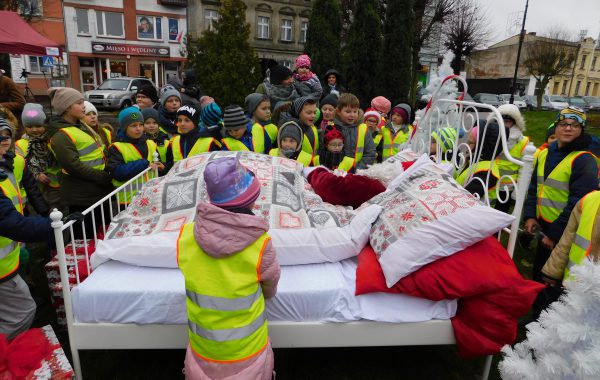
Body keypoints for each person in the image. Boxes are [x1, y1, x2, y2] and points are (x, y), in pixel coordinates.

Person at [178, 156, 280, 380]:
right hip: (248, 348)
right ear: (251, 202)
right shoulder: (260, 243)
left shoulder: (185, 236)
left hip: (204, 347)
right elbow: (270, 285)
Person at [523, 107, 599, 287]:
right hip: (543, 224)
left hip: (565, 231)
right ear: (556, 127)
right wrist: (530, 215)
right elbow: (534, 188)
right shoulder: (545, 153)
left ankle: (545, 312)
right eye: (563, 124)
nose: (568, 128)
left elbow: (577, 202)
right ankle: (536, 310)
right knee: (539, 273)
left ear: (581, 131)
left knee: (555, 278)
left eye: (574, 125)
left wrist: (554, 235)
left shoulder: (583, 160)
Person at [47, 87, 112, 230]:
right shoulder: (61, 135)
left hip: (96, 190)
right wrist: (101, 176)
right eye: (79, 103)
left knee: (103, 230)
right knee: (87, 235)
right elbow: (73, 166)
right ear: (66, 107)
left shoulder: (81, 126)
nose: (83, 106)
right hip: (82, 196)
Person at [0, 188, 53, 340]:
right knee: (23, 312)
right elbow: (12, 224)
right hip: (3, 272)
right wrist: (54, 225)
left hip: (8, 263)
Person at [108, 107, 163, 204]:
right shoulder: (116, 147)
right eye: (133, 126)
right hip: (128, 201)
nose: (138, 129)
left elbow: (158, 164)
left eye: (141, 125)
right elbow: (117, 173)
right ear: (125, 128)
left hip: (150, 197)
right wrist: (143, 164)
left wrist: (162, 166)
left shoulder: (150, 143)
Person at [494, 104, 531, 212]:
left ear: (514, 123)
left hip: (506, 187)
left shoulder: (523, 142)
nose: (503, 124)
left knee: (500, 215)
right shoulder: (491, 135)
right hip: (488, 182)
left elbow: (525, 171)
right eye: (500, 120)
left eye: (507, 121)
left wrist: (517, 194)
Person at [456, 121, 505, 201]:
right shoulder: (477, 161)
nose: (466, 145)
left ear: (482, 147)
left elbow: (466, 200)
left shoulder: (486, 173)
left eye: (470, 143)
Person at [331, 93, 376, 171]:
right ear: (338, 111)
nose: (352, 115)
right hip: (335, 172)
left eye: (355, 111)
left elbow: (370, 153)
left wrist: (357, 169)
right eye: (348, 112)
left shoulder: (363, 129)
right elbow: (324, 151)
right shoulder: (331, 127)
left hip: (358, 172)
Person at [166, 105, 220, 169]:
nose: (182, 123)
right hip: (177, 178)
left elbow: (216, 166)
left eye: (187, 120)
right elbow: (171, 164)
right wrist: (164, 167)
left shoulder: (210, 141)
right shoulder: (173, 141)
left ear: (195, 123)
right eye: (180, 120)